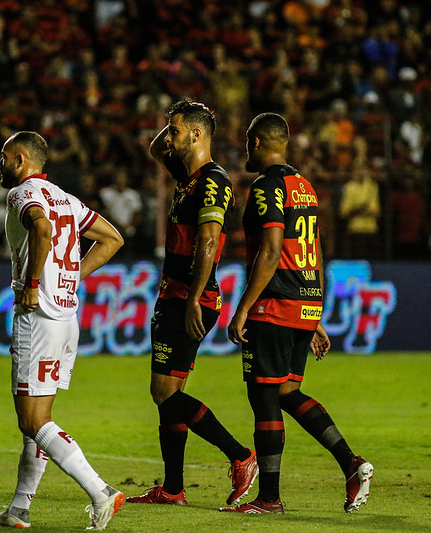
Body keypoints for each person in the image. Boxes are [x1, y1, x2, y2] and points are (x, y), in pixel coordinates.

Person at [221, 113, 373, 514]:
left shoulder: (266, 187)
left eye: (247, 144)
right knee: (287, 391)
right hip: (303, 299)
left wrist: (244, 308)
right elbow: (314, 252)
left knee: (264, 396)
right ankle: (351, 463)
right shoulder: (305, 186)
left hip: (274, 304)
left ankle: (269, 498)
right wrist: (315, 312)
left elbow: (271, 252)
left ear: (256, 142)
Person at [0, 131, 125, 530]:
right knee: (38, 419)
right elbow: (113, 238)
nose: (0, 163)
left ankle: (101, 492)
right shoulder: (66, 198)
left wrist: (31, 284)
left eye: (5, 156)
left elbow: (42, 230)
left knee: (33, 422)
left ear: (23, 161)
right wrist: (70, 274)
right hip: (65, 317)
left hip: (38, 315)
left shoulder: (22, 193)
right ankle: (19, 510)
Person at [126, 100, 258, 508]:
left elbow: (210, 240)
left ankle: (240, 456)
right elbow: (154, 151)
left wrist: (194, 298)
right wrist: (169, 125)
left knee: (164, 392)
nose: (170, 137)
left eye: (177, 131)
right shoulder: (187, 177)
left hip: (189, 296)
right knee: (172, 394)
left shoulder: (213, 181)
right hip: (178, 294)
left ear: (198, 135)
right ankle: (173, 489)